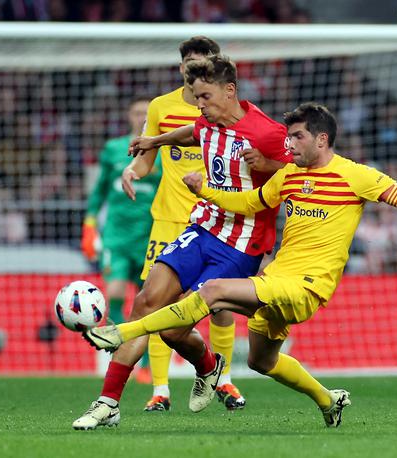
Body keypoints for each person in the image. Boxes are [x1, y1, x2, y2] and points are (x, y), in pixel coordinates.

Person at [84, 102, 397, 428]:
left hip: (307, 286)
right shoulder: (288, 176)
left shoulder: (357, 176)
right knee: (261, 361)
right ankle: (328, 400)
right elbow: (249, 203)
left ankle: (124, 332)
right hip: (277, 279)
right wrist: (205, 191)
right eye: (288, 138)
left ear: (322, 139)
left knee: (213, 291)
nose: (290, 146)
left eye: (298, 137)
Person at [72, 53, 291, 430]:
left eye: (205, 97)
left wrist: (269, 167)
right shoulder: (206, 122)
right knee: (146, 304)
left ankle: (206, 365)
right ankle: (109, 403)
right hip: (202, 228)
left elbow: (305, 175)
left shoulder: (268, 133)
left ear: (229, 91)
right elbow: (190, 133)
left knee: (174, 326)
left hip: (240, 245)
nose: (199, 104)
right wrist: (152, 140)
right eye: (195, 96)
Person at [120, 36, 248, 413]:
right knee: (158, 304)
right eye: (189, 62)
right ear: (182, 68)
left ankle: (222, 379)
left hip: (215, 220)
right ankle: (160, 389)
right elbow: (147, 155)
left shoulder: (228, 109)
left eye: (203, 61)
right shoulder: (161, 107)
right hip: (170, 220)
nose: (195, 69)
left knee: (221, 305)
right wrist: (133, 170)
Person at [81, 96, 158, 329]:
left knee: (147, 297)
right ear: (129, 116)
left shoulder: (162, 152)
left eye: (146, 113)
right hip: (117, 235)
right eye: (137, 113)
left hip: (148, 234)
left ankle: (144, 360)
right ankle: (119, 344)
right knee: (115, 290)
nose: (142, 117)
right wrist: (90, 224)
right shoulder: (113, 149)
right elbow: (99, 190)